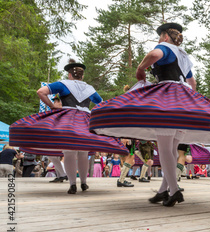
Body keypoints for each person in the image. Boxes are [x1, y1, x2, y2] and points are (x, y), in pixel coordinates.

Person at [89, 22, 210, 207]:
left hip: (167, 99)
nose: (159, 40)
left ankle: (175, 190)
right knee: (171, 149)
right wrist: (188, 102)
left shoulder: (165, 47)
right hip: (181, 100)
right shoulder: (182, 55)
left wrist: (140, 68)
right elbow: (192, 83)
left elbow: (154, 55)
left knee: (164, 149)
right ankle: (163, 191)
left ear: (165, 36)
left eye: (160, 37)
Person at [9, 58, 129, 194]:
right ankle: (84, 183)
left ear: (69, 74)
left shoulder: (63, 84)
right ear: (82, 75)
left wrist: (52, 105)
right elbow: (101, 103)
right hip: (85, 120)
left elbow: (40, 92)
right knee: (83, 152)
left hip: (68, 119)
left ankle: (72, 184)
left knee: (69, 151)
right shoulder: (89, 89)